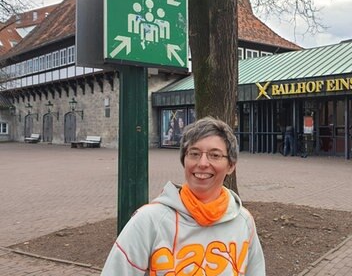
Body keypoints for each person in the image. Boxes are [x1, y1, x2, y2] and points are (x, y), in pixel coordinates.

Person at [101, 116, 266, 275]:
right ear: (184, 160)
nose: (202, 163)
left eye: (215, 155)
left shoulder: (243, 222)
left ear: (231, 166)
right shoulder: (150, 220)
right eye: (194, 154)